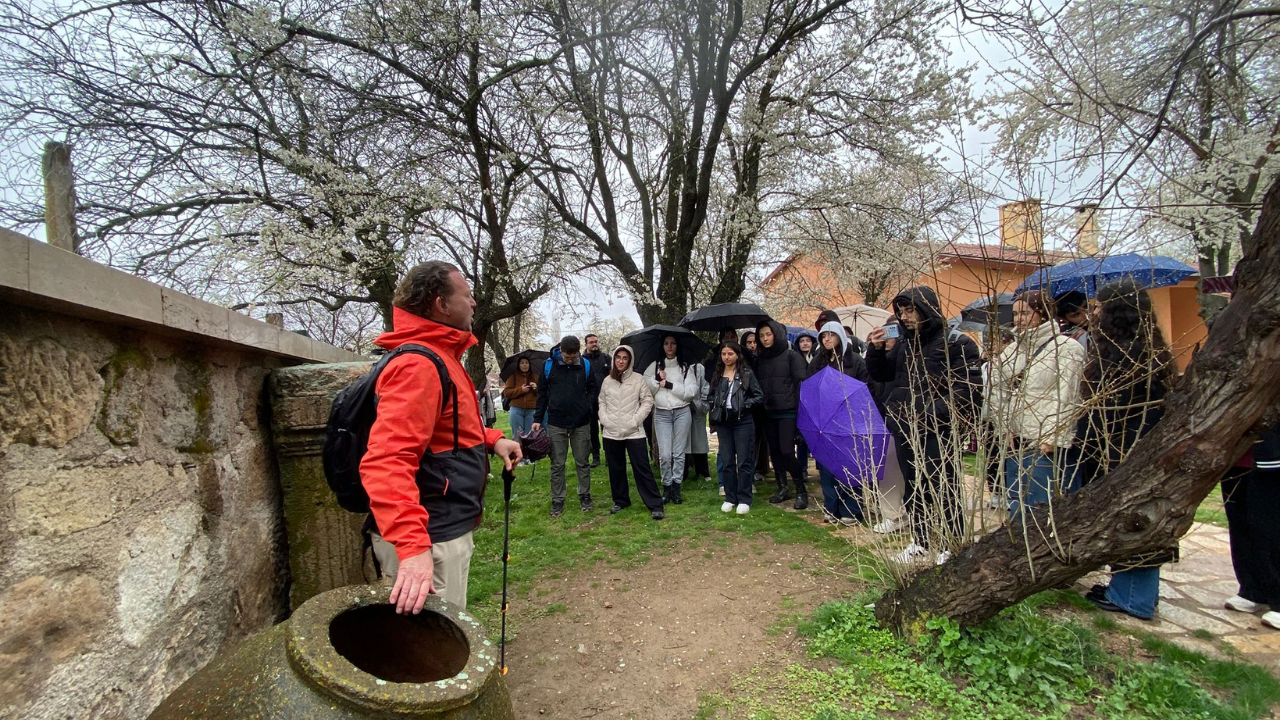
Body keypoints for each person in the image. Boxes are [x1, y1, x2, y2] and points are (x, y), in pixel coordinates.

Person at [360, 261, 522, 614]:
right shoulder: (418, 365)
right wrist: (413, 546)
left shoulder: (440, 357)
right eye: (467, 295)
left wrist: (493, 440)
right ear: (441, 304)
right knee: (432, 642)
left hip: (440, 528)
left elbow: (448, 427)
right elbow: (387, 459)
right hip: (428, 538)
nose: (474, 302)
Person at [1077, 279, 1174, 620]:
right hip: (1128, 453)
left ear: (1116, 312)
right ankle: (1131, 591)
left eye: (1098, 308)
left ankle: (1134, 598)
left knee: (1133, 524)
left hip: (1126, 456)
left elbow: (1113, 415)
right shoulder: (1145, 352)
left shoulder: (1128, 359)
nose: (1092, 314)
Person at [867, 287, 980, 565]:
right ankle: (920, 541)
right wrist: (876, 351)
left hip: (938, 430)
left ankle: (952, 543)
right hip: (905, 427)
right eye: (901, 312)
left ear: (926, 310)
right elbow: (883, 374)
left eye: (910, 311)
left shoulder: (957, 343)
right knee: (915, 488)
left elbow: (967, 391)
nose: (905, 317)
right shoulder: (905, 344)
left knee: (945, 488)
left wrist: (928, 414)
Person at [987, 290, 1086, 519]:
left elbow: (1068, 395)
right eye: (1015, 314)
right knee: (1019, 508)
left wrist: (1053, 436)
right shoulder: (1013, 351)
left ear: (1042, 313)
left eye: (1025, 313)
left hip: (1045, 444)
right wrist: (1004, 427)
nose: (1019, 319)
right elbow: (996, 388)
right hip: (1017, 442)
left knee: (1047, 510)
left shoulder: (1066, 348)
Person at [807, 322, 871, 525]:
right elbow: (810, 387)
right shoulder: (818, 361)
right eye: (823, 336)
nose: (826, 339)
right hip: (825, 420)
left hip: (849, 420)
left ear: (840, 337)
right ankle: (831, 508)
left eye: (831, 335)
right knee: (827, 468)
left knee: (849, 465)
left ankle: (851, 509)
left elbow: (866, 388)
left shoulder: (855, 361)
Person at [533, 336, 600, 517]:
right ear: (560, 351)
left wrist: (587, 404)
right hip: (556, 422)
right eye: (566, 357)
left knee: (582, 461)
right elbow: (542, 394)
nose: (570, 360)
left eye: (573, 357)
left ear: (578, 351)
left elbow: (593, 388)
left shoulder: (585, 365)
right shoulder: (549, 366)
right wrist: (537, 418)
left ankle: (585, 495)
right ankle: (557, 499)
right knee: (557, 464)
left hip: (581, 422)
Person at [1222, 424, 1280, 631]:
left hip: (1273, 455)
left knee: (1270, 528)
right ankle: (1252, 590)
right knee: (1240, 524)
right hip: (1236, 453)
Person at [597, 345, 665, 520]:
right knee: (616, 468)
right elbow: (602, 402)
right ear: (614, 359)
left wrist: (635, 420)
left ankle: (655, 504)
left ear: (630, 360)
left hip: (634, 432)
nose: (621, 361)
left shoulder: (638, 379)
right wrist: (605, 420)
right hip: (611, 431)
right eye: (618, 357)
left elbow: (647, 400)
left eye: (625, 358)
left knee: (642, 468)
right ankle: (621, 501)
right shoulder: (607, 381)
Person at [754, 319, 810, 509]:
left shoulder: (791, 356)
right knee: (775, 452)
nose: (765, 339)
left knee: (787, 451)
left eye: (768, 334)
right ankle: (783, 487)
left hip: (788, 411)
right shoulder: (760, 359)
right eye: (761, 336)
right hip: (768, 411)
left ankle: (801, 489)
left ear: (776, 334)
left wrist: (799, 410)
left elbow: (801, 383)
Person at [708, 341, 765, 514]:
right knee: (727, 461)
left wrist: (745, 405)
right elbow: (710, 395)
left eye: (730, 354)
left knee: (744, 460)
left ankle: (745, 498)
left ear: (737, 355)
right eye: (724, 354)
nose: (727, 357)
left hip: (742, 421)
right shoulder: (718, 374)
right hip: (724, 422)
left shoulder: (746, 374)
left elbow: (759, 396)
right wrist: (714, 406)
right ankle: (730, 497)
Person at [644, 335, 698, 504]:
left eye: (673, 343)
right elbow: (646, 389)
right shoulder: (654, 366)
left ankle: (676, 487)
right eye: (666, 343)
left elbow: (691, 392)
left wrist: (670, 385)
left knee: (678, 452)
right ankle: (666, 486)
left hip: (682, 412)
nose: (669, 346)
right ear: (662, 346)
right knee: (665, 454)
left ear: (677, 346)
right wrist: (657, 380)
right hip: (662, 413)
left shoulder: (685, 368)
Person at [740, 330, 772, 487]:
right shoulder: (741, 361)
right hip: (746, 404)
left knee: (761, 438)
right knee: (748, 440)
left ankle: (760, 468)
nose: (752, 345)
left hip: (761, 403)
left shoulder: (763, 359)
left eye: (754, 342)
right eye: (749, 343)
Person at [583, 333, 610, 468]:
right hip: (590, 399)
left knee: (607, 427)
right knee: (592, 429)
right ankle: (595, 456)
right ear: (586, 344)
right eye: (591, 342)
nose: (594, 344)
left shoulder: (606, 358)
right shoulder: (582, 360)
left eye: (596, 341)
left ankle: (609, 455)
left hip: (606, 399)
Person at [502, 356, 539, 443]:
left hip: (531, 409)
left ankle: (527, 452)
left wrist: (536, 388)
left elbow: (543, 393)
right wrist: (521, 390)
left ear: (529, 365)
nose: (524, 365)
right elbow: (506, 392)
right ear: (518, 365)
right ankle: (518, 452)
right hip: (516, 409)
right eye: (522, 363)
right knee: (517, 436)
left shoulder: (536, 377)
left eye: (526, 363)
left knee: (529, 436)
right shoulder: (513, 377)